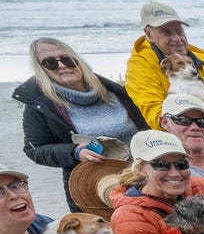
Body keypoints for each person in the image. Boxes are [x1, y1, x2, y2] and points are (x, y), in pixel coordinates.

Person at [16, 37, 146, 210]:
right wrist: (74, 151)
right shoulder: (42, 106)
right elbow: (35, 149)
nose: (62, 65)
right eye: (50, 63)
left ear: (78, 61)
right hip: (96, 189)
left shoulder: (116, 92)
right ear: (41, 69)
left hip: (144, 179)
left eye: (67, 59)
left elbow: (147, 127)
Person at [125, 2, 204, 146]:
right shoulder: (140, 68)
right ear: (148, 34)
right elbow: (160, 119)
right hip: (194, 153)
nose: (177, 39)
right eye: (167, 32)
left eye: (179, 31)